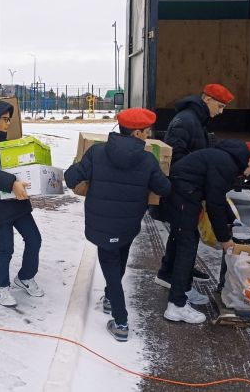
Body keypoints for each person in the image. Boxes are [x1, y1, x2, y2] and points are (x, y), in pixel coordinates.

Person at [64, 108, 171, 342]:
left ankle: (120, 321)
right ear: (136, 133)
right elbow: (164, 189)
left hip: (101, 224)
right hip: (128, 223)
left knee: (112, 265)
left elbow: (71, 178)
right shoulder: (147, 159)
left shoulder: (97, 152)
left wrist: (77, 165)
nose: (147, 135)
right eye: (146, 131)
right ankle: (117, 312)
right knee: (118, 259)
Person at [162, 140, 250, 324]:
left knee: (186, 240)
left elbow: (218, 195)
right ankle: (176, 305)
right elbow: (215, 203)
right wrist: (225, 239)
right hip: (182, 195)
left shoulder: (227, 159)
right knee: (186, 246)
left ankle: (183, 289)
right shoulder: (226, 164)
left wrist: (235, 222)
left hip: (185, 194)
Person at [156, 83, 235, 288]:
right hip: (183, 189)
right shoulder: (185, 121)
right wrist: (200, 173)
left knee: (180, 233)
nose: (221, 112)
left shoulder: (197, 120)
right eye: (220, 106)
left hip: (190, 187)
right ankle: (178, 283)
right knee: (187, 237)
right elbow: (176, 156)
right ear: (207, 99)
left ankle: (170, 271)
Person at [0, 99, 43, 308]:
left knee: (34, 239)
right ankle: (0, 287)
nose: (8, 123)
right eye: (4, 119)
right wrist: (12, 183)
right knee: (6, 247)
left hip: (16, 202)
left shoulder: (2, 141)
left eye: (9, 119)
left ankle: (25, 277)